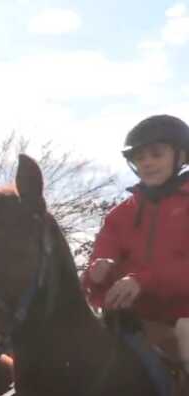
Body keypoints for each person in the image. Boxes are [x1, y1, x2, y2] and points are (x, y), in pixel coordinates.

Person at [82, 114, 189, 370]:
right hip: (133, 323)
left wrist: (143, 280)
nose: (147, 163)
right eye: (140, 158)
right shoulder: (119, 215)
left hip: (184, 320)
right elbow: (95, 280)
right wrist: (96, 275)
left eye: (156, 154)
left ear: (181, 157)